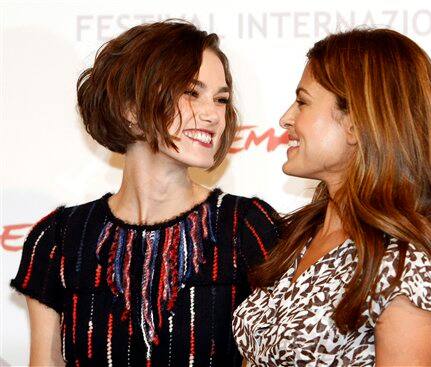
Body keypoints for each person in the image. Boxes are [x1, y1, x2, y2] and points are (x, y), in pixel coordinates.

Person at [11, 19, 277, 367]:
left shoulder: (248, 228)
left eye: (221, 99)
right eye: (191, 92)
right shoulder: (60, 239)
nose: (212, 114)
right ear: (130, 107)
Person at [233, 28, 431, 366]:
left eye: (302, 102)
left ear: (356, 122)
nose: (286, 118)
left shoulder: (402, 263)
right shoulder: (297, 235)